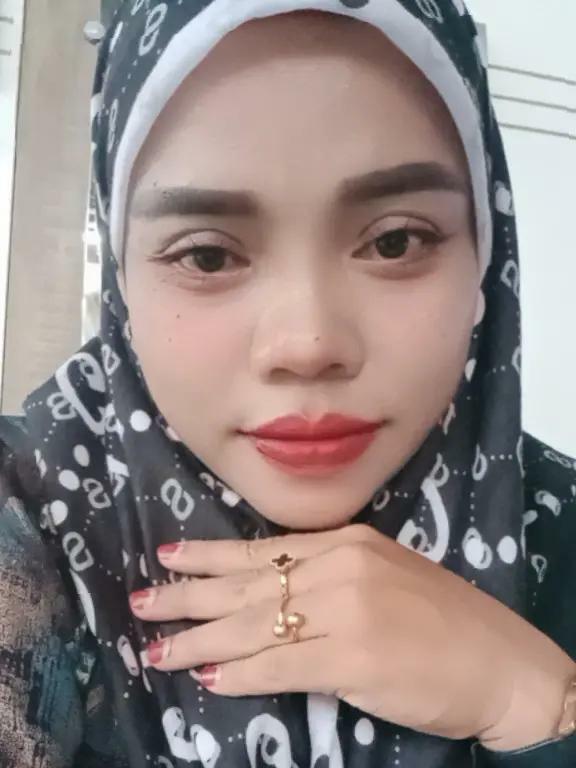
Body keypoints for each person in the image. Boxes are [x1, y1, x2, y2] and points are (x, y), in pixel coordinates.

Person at [0, 1, 575, 766]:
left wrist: (536, 704)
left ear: (486, 254)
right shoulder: (29, 519)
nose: (308, 345)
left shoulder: (563, 530)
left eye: (396, 242)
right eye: (207, 255)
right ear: (122, 278)